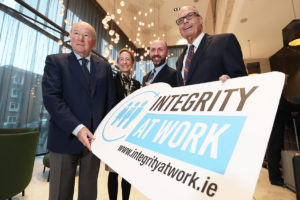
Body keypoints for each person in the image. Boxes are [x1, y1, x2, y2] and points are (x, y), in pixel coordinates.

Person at [42, 21, 115, 200]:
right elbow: (52, 99)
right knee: (60, 193)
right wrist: (77, 128)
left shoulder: (104, 67)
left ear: (94, 41)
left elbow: (109, 103)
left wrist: (106, 134)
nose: (80, 39)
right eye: (76, 33)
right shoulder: (55, 61)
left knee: (89, 193)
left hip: (94, 141)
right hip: (64, 137)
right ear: (69, 37)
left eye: (86, 35)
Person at [175, 6, 247, 86]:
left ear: (200, 19)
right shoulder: (179, 61)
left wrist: (231, 82)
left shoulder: (224, 41)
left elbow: (241, 79)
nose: (185, 21)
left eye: (190, 16)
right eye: (180, 20)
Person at [106, 48, 141, 200]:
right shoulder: (110, 82)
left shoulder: (137, 84)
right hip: (114, 132)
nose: (125, 62)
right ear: (117, 62)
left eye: (128, 59)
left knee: (127, 173)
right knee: (113, 173)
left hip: (131, 133)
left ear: (132, 63)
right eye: (122, 59)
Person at [267, 75, 300, 186]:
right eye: (285, 81)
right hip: (275, 125)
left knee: (274, 151)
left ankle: (275, 175)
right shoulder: (275, 91)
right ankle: (275, 179)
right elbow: (284, 106)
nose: (286, 84)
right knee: (274, 151)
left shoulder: (275, 91)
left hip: (276, 124)